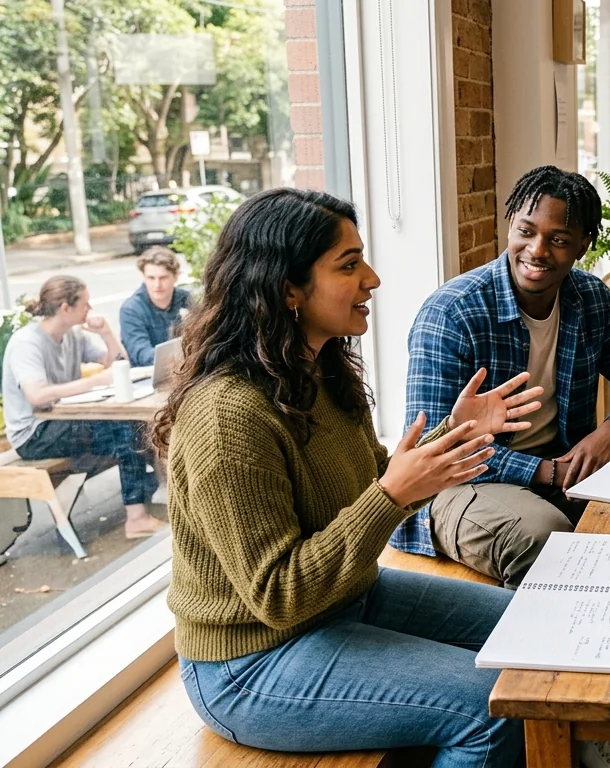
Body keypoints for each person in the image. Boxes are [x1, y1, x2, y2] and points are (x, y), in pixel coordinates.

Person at [153, 188, 540, 766]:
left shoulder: (323, 371)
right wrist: (389, 494)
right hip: (249, 662)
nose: (373, 279)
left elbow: (374, 480)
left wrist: (452, 435)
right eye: (349, 264)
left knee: (536, 627)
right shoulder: (226, 417)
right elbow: (278, 595)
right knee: (491, 708)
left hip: (347, 598)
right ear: (287, 288)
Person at [394, 166, 610, 587]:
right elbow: (434, 449)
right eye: (526, 231)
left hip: (561, 470)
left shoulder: (591, 298)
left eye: (558, 240)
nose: (537, 250)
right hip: (458, 484)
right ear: (510, 226)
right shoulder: (451, 313)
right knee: (543, 537)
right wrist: (547, 472)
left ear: (583, 245)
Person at [2, 276, 163, 539]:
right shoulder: (27, 342)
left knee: (138, 427)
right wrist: (92, 383)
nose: (90, 309)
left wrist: (107, 333)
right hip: (34, 434)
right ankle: (136, 518)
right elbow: (36, 395)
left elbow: (118, 364)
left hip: (62, 421)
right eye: (85, 304)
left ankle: (144, 501)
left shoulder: (73, 337)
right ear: (66, 308)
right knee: (128, 431)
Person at [119, 246, 195, 366]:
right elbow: (141, 355)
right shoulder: (131, 309)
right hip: (147, 377)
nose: (157, 284)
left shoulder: (188, 300)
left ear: (175, 277)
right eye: (151, 278)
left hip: (186, 370)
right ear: (144, 277)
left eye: (163, 277)